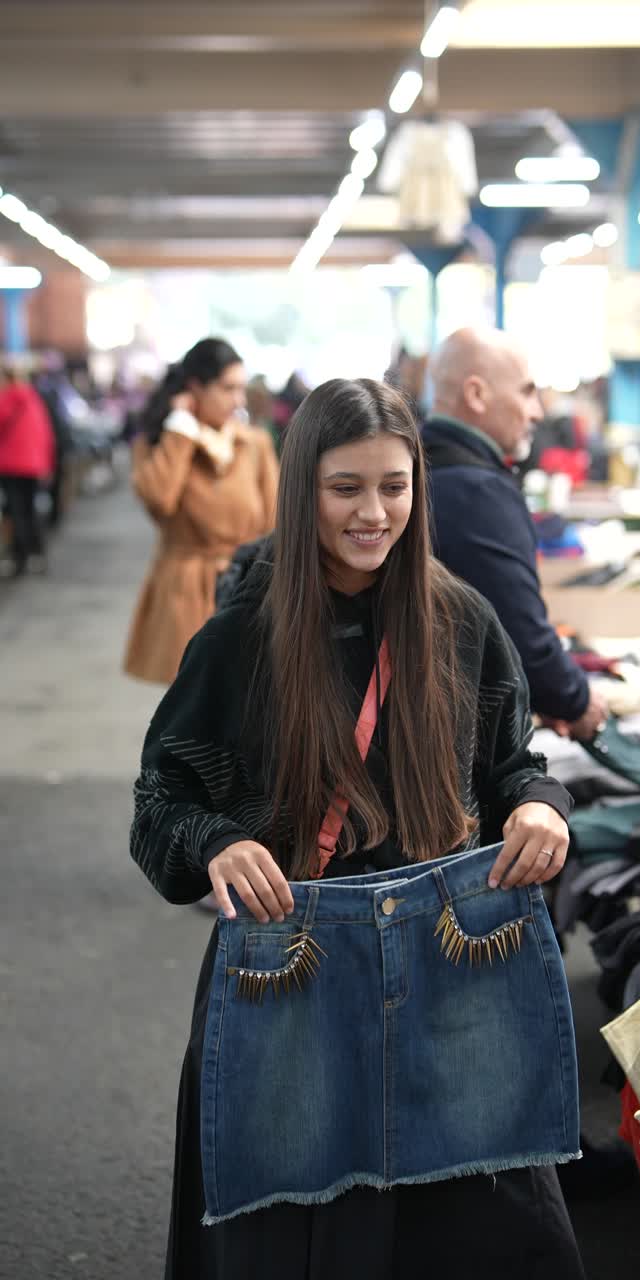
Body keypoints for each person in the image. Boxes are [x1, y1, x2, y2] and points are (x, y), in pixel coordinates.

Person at [130, 377, 585, 1280]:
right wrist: (216, 842)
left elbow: (511, 766)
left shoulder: (461, 623)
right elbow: (160, 806)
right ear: (304, 490)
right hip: (289, 966)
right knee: (293, 1235)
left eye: (395, 485)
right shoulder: (240, 642)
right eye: (347, 488)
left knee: (475, 1228)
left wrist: (540, 804)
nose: (375, 513)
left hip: (448, 964)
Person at [424, 328, 607, 741]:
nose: (538, 412)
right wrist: (575, 700)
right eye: (527, 393)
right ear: (476, 394)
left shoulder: (421, 469)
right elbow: (519, 635)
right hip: (461, 745)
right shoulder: (477, 493)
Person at [124, 338, 279, 685]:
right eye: (228, 388)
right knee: (191, 708)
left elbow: (276, 521)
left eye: (241, 388)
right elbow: (159, 501)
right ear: (195, 387)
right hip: (185, 590)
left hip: (247, 582)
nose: (238, 400)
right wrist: (179, 428)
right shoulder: (159, 444)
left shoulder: (253, 443)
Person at [0, 366, 56, 577]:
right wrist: (47, 464)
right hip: (33, 464)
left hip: (11, 465)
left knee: (16, 512)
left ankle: (19, 558)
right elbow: (46, 434)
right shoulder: (33, 399)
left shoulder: (7, 399)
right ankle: (36, 555)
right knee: (29, 511)